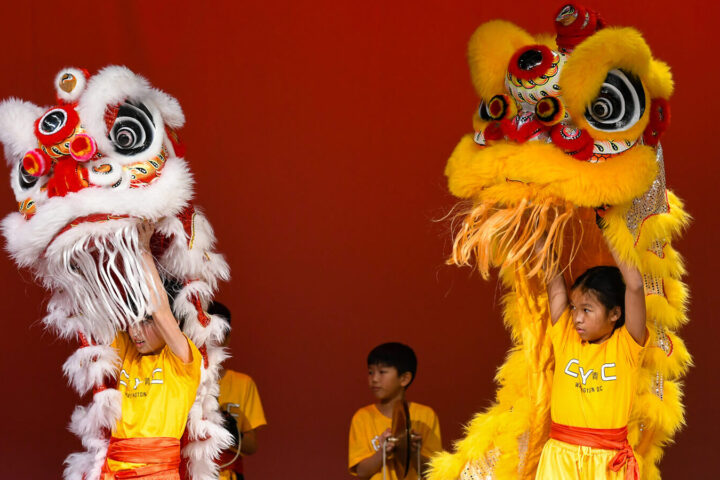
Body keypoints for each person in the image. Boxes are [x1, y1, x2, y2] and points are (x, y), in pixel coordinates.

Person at [534, 231, 647, 479]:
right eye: (574, 308)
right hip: (560, 461)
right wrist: (536, 226)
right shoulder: (566, 336)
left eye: (587, 309)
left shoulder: (626, 346)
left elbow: (636, 285)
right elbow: (553, 278)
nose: (577, 317)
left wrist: (608, 225)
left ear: (615, 313)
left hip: (607, 465)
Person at [101, 221, 202, 479]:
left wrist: (142, 250)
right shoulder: (125, 352)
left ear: (173, 324)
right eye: (132, 323)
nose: (135, 331)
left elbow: (160, 310)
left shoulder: (183, 360)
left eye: (145, 322)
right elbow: (101, 310)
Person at [348, 342, 442, 480]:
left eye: (382, 372)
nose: (374, 379)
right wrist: (383, 451)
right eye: (370, 372)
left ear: (404, 378)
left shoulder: (426, 415)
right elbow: (362, 472)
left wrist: (413, 452)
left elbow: (434, 472)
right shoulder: (362, 417)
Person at [210, 302, 267, 480]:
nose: (208, 340)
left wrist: (232, 433)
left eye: (216, 333)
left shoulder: (243, 384)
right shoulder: (180, 381)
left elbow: (251, 446)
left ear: (227, 338)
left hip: (228, 473)